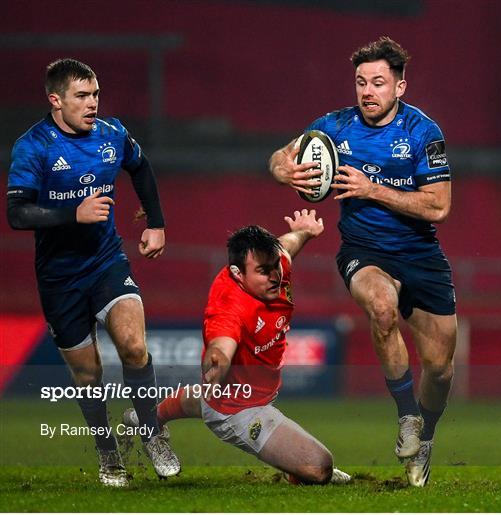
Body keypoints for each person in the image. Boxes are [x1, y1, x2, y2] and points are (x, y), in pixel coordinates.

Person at [268, 37, 457, 487]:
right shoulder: (334, 127)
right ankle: (407, 415)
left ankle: (424, 437)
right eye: (360, 82)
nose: (367, 91)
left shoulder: (422, 133)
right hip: (363, 251)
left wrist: (373, 189)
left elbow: (438, 207)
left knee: (441, 367)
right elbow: (280, 155)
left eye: (378, 82)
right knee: (382, 308)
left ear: (400, 87)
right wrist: (283, 170)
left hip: (421, 255)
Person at [6, 58, 180, 487]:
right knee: (89, 376)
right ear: (55, 100)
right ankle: (108, 454)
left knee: (135, 347)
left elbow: (140, 168)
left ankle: (153, 433)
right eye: (81, 96)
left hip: (106, 262)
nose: (92, 103)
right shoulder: (33, 147)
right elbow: (16, 213)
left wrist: (156, 222)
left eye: (96, 94)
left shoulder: (112, 134)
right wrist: (74, 213)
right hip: (59, 279)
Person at [124, 210, 350, 484]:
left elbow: (287, 246)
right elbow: (221, 347)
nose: (274, 276)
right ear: (237, 273)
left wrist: (304, 231)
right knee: (320, 467)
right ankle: (298, 469)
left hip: (243, 391)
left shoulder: (273, 264)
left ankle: (151, 417)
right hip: (239, 411)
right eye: (263, 271)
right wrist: (216, 363)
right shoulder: (230, 308)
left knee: (206, 399)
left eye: (275, 266)